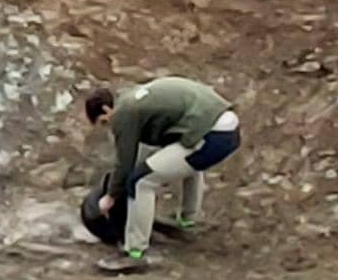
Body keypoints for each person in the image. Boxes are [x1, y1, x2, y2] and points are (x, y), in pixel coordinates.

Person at [79, 75, 239, 268]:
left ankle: (135, 253)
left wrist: (110, 197)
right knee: (187, 159)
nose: (109, 128)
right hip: (226, 126)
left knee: (140, 181)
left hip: (212, 134)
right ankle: (188, 221)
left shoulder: (123, 114)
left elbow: (125, 164)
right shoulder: (135, 99)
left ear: (106, 109)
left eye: (104, 122)